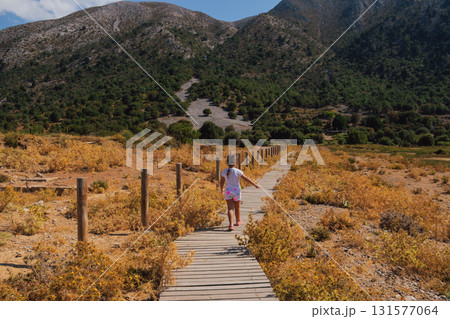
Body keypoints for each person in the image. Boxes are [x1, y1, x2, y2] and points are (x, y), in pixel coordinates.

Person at [220, 155, 259, 231]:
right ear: (235, 162)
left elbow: (221, 182)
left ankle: (231, 225)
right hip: (236, 191)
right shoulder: (238, 171)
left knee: (230, 208)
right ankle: (238, 221)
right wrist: (254, 184)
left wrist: (222, 189)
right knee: (237, 208)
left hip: (228, 191)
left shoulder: (224, 171)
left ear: (227, 162)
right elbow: (246, 178)